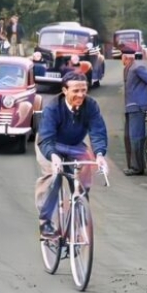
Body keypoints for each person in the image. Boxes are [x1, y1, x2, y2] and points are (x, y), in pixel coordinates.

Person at [35, 72, 109, 238]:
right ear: (64, 90)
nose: (80, 95)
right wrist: (53, 156)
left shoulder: (91, 105)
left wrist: (99, 154)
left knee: (86, 166)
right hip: (50, 145)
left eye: (84, 90)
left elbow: (97, 131)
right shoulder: (53, 108)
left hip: (74, 145)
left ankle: (80, 207)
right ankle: (46, 222)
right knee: (53, 177)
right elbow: (46, 138)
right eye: (76, 91)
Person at [121, 47, 147, 176]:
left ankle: (137, 167)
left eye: (122, 57)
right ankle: (134, 165)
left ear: (125, 57)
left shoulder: (137, 67)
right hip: (131, 107)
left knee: (136, 137)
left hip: (137, 107)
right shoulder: (129, 68)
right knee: (129, 137)